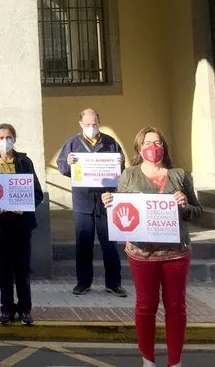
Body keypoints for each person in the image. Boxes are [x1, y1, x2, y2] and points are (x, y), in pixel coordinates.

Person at [101, 126, 202, 367]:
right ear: (139, 147)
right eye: (147, 143)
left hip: (176, 252)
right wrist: (110, 202)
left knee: (176, 307)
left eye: (158, 143)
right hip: (142, 253)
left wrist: (184, 205)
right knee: (146, 306)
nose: (153, 148)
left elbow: (198, 212)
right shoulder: (129, 175)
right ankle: (148, 359)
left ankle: (175, 362)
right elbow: (121, 209)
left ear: (164, 147)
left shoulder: (179, 175)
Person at [0, 123, 44, 326]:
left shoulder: (25, 162)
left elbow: (36, 192)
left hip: (21, 223)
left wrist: (26, 205)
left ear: (14, 138)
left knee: (21, 267)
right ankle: (6, 308)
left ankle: (25, 309)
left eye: (9, 137)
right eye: (1, 137)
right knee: (3, 267)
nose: (5, 141)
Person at [56, 108, 127, 297]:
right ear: (81, 124)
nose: (91, 127)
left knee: (110, 244)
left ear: (99, 122)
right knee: (83, 243)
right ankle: (83, 283)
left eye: (94, 124)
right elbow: (61, 165)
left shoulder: (110, 142)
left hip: (107, 201)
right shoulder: (72, 143)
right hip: (83, 200)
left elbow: (121, 167)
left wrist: (120, 162)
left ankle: (113, 283)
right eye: (87, 124)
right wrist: (68, 164)